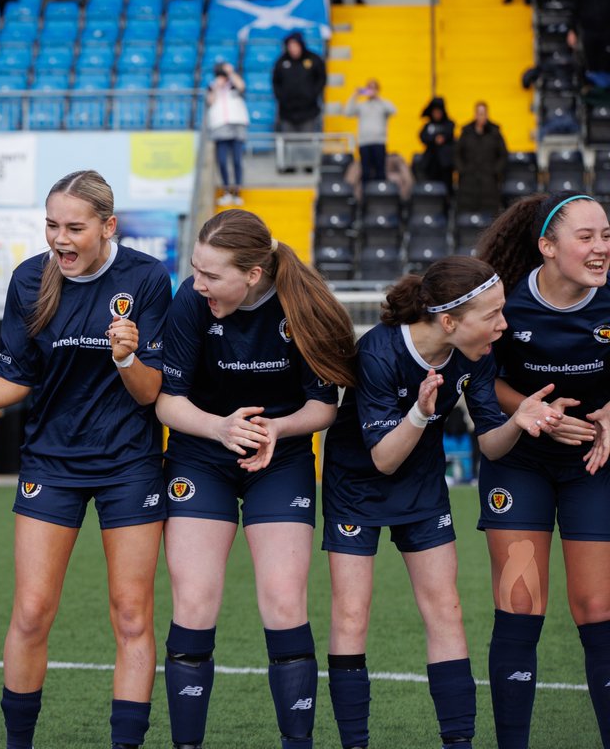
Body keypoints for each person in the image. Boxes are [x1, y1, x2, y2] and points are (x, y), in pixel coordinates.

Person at [0, 170, 173, 749]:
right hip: (51, 464)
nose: (60, 239)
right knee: (32, 612)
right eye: (51, 225)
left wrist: (126, 358)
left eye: (74, 227)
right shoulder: (29, 279)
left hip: (129, 464)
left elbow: (150, 393)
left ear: (107, 227)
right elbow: (17, 378)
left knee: (131, 617)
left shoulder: (148, 278)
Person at [321, 256, 562, 749]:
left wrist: (519, 421)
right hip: (357, 484)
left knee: (446, 608)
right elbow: (384, 459)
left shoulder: (477, 354)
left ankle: (459, 743)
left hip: (424, 485)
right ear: (449, 321)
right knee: (351, 615)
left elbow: (491, 444)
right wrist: (419, 413)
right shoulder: (379, 353)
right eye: (492, 314)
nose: (503, 323)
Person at [157, 209, 357, 749]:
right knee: (195, 600)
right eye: (195, 270)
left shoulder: (303, 303)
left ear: (251, 275)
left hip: (282, 459)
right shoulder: (188, 302)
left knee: (284, 600)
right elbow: (168, 402)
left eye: (211, 275)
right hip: (201, 455)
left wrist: (276, 429)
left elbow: (324, 406)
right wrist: (220, 429)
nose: (198, 284)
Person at [475, 193, 610, 748]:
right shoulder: (504, 305)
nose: (601, 248)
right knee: (520, 605)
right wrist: (531, 413)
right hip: (521, 462)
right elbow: (485, 381)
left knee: (597, 606)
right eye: (587, 237)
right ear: (547, 248)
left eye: (606, 235)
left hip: (592, 463)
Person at [272, 31, 326, 173]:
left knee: (306, 138)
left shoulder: (313, 60)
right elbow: (275, 82)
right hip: (287, 110)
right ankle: (290, 165)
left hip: (308, 109)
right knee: (289, 139)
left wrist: (312, 94)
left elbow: (321, 79)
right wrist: (281, 97)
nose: (293, 49)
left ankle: (307, 165)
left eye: (295, 45)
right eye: (290, 46)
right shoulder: (281, 62)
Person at [205, 62, 248, 207]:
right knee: (222, 161)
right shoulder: (212, 86)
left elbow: (242, 86)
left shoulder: (234, 85)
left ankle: (237, 191)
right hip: (220, 126)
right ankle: (226, 191)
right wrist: (217, 87)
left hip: (237, 124)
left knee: (237, 160)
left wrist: (230, 73)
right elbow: (209, 101)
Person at [455, 101, 508, 215]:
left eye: (483, 113)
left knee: (489, 218)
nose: (481, 116)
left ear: (487, 114)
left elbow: (503, 155)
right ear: (475, 115)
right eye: (479, 113)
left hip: (489, 183)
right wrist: (462, 170)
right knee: (467, 215)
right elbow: (457, 154)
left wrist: (495, 171)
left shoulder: (495, 132)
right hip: (468, 183)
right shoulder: (466, 132)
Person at [344, 79, 396, 184]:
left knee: (380, 171)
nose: (371, 91)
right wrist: (355, 95)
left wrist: (378, 98)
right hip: (364, 142)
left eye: (373, 88)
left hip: (379, 142)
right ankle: (366, 196)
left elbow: (393, 110)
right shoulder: (362, 106)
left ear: (377, 89)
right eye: (369, 88)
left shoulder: (382, 104)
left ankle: (380, 194)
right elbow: (347, 112)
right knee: (365, 172)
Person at [568, 0, 610, 83]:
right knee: (589, 63)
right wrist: (572, 31)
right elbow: (574, 11)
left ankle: (604, 93)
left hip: (606, 31)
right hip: (588, 31)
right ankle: (591, 93)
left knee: (606, 62)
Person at [419, 96, 457, 194]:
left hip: (445, 164)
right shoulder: (428, 125)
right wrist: (434, 139)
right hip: (431, 163)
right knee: (431, 188)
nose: (437, 114)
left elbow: (448, 135)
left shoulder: (449, 124)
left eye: (439, 112)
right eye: (435, 112)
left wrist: (440, 138)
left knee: (446, 188)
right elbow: (422, 136)